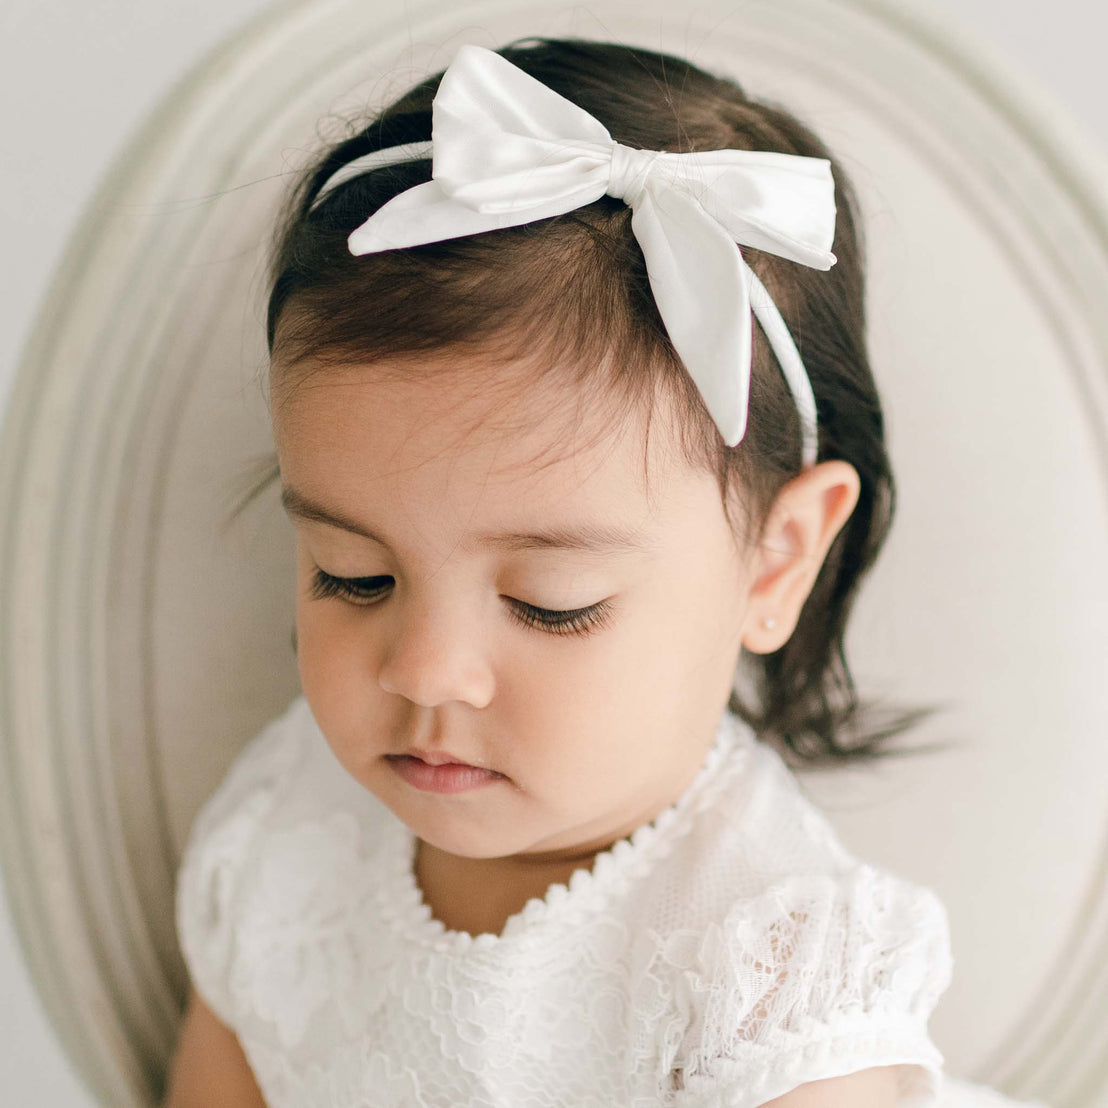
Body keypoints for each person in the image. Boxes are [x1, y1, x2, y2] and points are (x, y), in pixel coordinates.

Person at [163, 36, 1052, 1108]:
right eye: (353, 576)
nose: (427, 672)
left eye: (551, 605)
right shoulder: (285, 829)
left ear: (774, 562)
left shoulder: (767, 973)